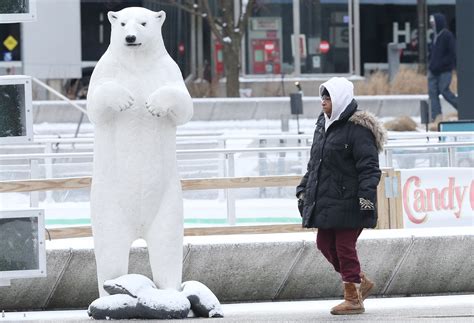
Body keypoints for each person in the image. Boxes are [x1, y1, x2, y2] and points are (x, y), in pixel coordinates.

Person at [296, 77, 386, 315]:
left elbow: (369, 169)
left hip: (351, 201)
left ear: (341, 100)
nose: (323, 103)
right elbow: (316, 163)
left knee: (344, 247)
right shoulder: (322, 124)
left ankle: (352, 299)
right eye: (322, 98)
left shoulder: (359, 129)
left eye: (328, 98)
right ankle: (359, 282)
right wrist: (304, 189)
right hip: (327, 200)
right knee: (324, 244)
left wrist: (366, 200)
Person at [428, 13, 457, 122]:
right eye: (431, 23)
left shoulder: (447, 35)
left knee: (444, 91)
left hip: (445, 70)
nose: (432, 25)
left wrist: (441, 64)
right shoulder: (434, 36)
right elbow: (433, 52)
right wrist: (431, 64)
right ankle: (436, 118)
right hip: (433, 70)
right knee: (432, 94)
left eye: (433, 22)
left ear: (438, 22)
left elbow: (452, 54)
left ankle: (464, 109)